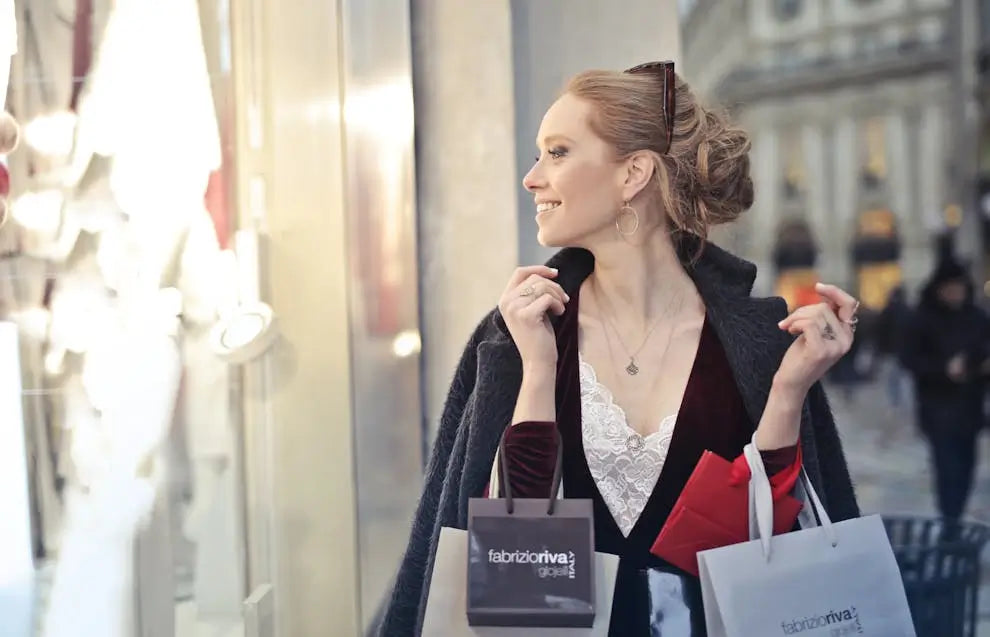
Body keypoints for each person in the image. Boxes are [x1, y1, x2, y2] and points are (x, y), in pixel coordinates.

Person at [380, 61, 859, 637]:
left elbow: (767, 553)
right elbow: (513, 578)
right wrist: (536, 372)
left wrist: (786, 393)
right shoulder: (517, 335)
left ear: (633, 174)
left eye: (557, 152)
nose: (532, 178)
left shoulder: (757, 344)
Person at [901, 256, 990, 522]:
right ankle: (951, 522)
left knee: (966, 467)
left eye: (959, 288)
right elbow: (910, 359)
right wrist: (943, 369)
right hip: (938, 407)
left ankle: (957, 516)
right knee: (947, 468)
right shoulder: (923, 318)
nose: (955, 294)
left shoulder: (976, 316)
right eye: (950, 288)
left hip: (971, 406)